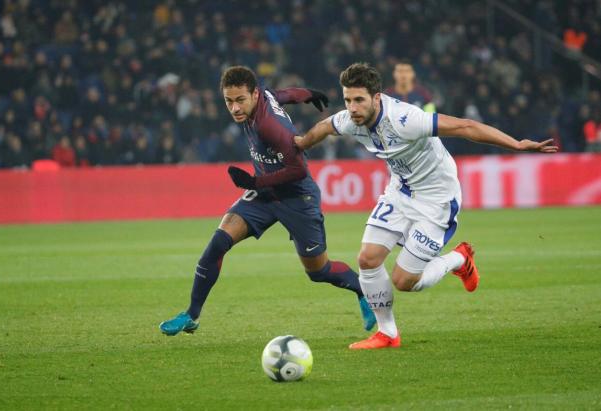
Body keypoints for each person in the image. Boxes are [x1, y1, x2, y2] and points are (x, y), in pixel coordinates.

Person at [294, 63, 558, 349]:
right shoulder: (350, 119)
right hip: (400, 192)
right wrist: (301, 145)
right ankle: (388, 334)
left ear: (377, 98)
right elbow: (324, 127)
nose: (352, 108)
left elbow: (465, 126)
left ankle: (459, 259)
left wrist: (516, 145)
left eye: (359, 100)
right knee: (367, 259)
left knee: (404, 281)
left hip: (436, 199)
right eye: (348, 100)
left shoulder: (405, 119)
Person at [159, 66, 376, 336]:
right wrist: (307, 94)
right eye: (229, 101)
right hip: (265, 195)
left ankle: (363, 291)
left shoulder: (269, 127)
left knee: (318, 271)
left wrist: (255, 183)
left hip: (297, 197)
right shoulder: (261, 97)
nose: (235, 108)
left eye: (240, 100)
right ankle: (191, 315)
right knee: (218, 243)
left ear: (254, 94)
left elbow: (298, 170)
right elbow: (282, 94)